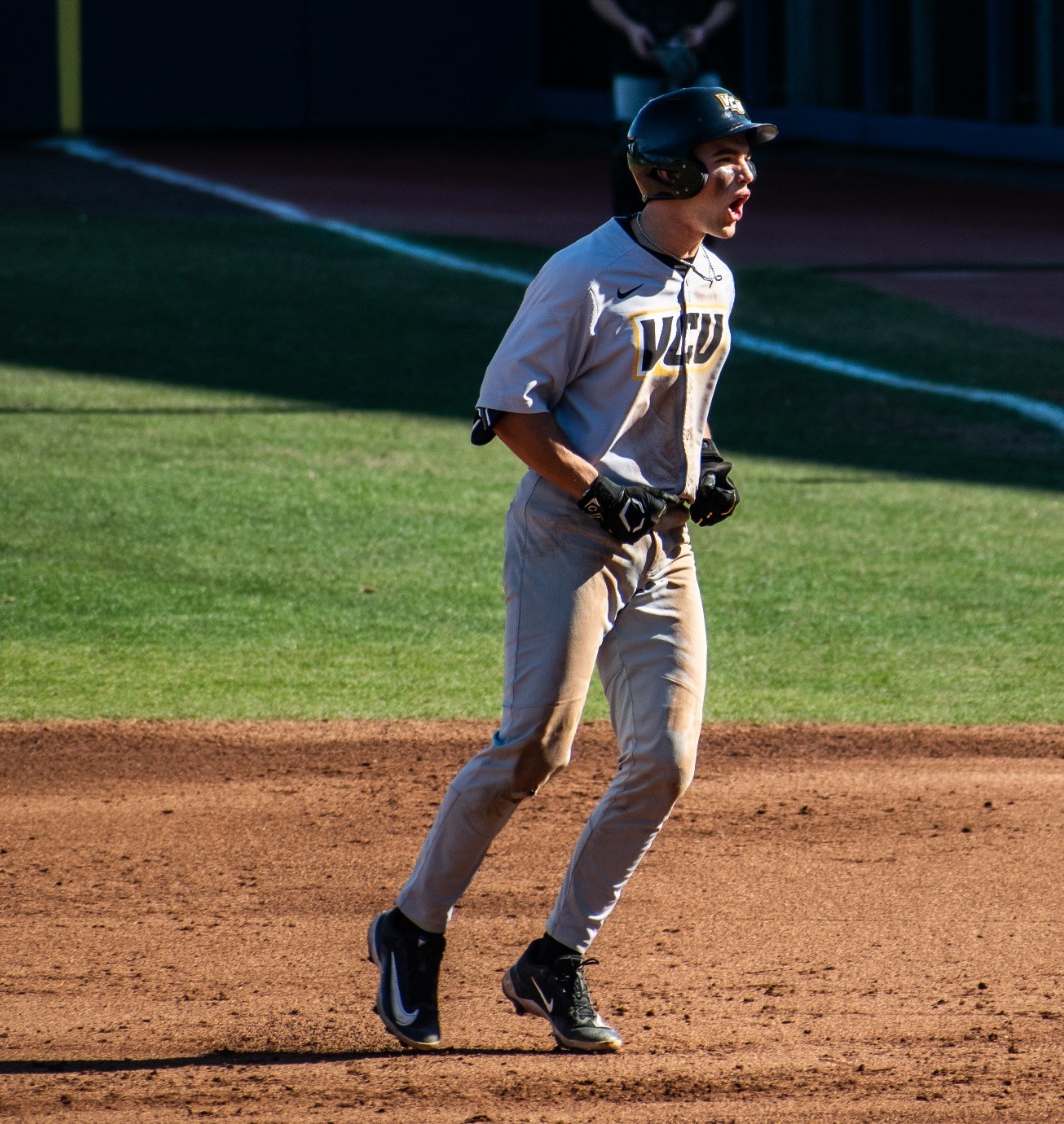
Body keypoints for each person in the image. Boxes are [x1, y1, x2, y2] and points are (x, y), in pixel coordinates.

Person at [366, 87, 775, 1054]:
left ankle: (556, 959)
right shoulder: (580, 277)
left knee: (666, 762)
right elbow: (513, 410)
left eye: (749, 159)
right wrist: (597, 491)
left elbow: (677, 402)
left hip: (665, 549)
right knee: (535, 750)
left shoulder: (712, 278)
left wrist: (703, 463)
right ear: (669, 172)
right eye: (726, 158)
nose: (745, 176)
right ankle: (413, 927)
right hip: (568, 540)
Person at [591, 0, 739, 214]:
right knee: (631, 146)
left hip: (698, 58)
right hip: (634, 58)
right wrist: (629, 27)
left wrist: (704, 30)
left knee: (710, 144)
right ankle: (629, 228)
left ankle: (705, 232)